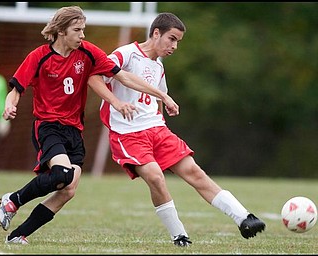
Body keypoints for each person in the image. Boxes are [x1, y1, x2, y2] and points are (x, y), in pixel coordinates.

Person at [0, 6, 179, 245]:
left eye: (83, 29)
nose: (83, 35)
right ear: (61, 31)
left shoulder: (88, 52)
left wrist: (162, 95)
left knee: (68, 189)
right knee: (62, 174)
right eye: (77, 30)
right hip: (48, 127)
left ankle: (17, 235)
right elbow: (16, 90)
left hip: (74, 130)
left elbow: (122, 76)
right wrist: (10, 105)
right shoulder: (39, 56)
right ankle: (12, 200)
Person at [89, 12, 266, 246]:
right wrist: (117, 102)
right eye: (171, 39)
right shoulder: (126, 54)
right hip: (127, 133)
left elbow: (157, 99)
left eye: (177, 42)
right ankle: (179, 235)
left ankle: (244, 218)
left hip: (156, 130)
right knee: (155, 176)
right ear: (155, 33)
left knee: (195, 172)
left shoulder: (158, 66)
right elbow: (94, 78)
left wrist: (162, 112)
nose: (174, 46)